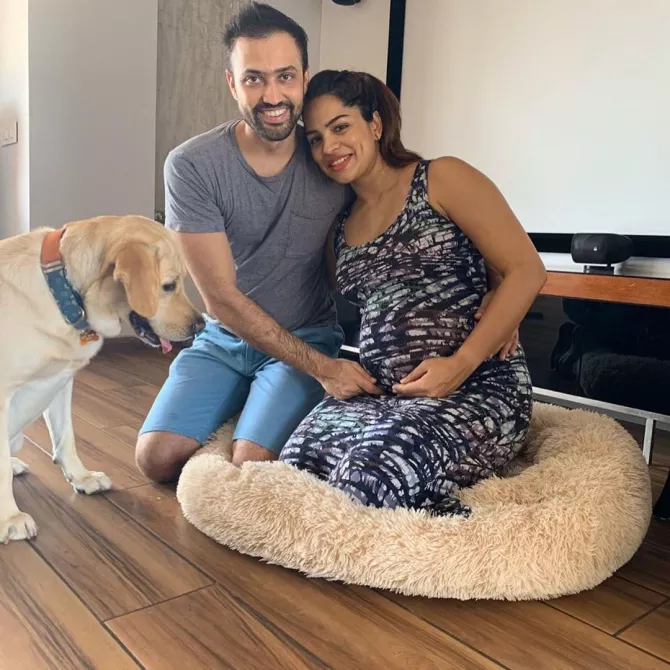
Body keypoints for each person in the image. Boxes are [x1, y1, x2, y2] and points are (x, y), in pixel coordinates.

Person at [135, 3, 515, 483]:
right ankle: (240, 400)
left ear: (304, 78)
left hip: (307, 333)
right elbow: (221, 299)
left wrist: (500, 290)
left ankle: (258, 410)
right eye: (253, 79)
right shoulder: (192, 165)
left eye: (285, 76)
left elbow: (432, 213)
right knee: (155, 459)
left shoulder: (334, 159)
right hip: (225, 336)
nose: (273, 95)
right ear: (232, 84)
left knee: (251, 463)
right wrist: (326, 370)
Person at [278, 70, 547, 516]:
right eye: (315, 139)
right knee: (294, 471)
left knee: (366, 482)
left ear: (375, 124)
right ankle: (423, 495)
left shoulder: (441, 177)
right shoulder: (339, 226)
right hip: (383, 395)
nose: (329, 148)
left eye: (341, 127)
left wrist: (462, 362)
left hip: (477, 387)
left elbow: (526, 269)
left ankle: (450, 523)